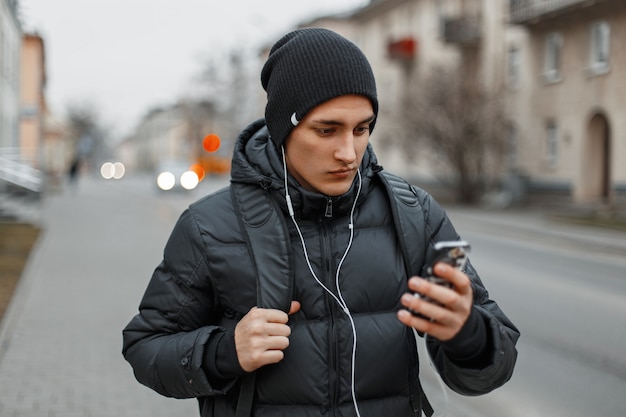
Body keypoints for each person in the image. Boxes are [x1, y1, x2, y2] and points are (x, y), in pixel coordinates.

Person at [122, 28, 519, 417]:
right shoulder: (209, 226)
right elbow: (145, 348)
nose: (348, 152)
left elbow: (493, 362)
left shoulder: (416, 213)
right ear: (284, 129)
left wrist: (469, 336)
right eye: (326, 130)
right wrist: (224, 352)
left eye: (362, 129)